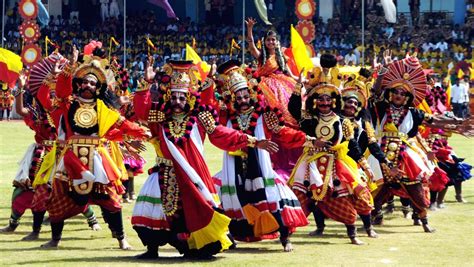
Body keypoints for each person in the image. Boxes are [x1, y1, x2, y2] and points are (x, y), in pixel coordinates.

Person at [131, 59, 278, 259]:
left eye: (182, 98)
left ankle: (193, 246)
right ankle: (152, 249)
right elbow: (141, 113)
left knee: (193, 215)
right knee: (153, 211)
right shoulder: (160, 117)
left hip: (193, 175)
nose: (177, 102)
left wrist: (251, 140)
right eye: (173, 97)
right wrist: (146, 86)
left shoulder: (199, 119)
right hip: (164, 172)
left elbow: (221, 133)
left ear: (189, 100)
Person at [37, 46, 149, 249]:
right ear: (78, 84)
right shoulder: (68, 103)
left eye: (92, 82)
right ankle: (54, 240)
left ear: (97, 87)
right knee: (58, 197)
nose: (87, 85)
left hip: (97, 158)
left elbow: (121, 124)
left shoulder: (103, 108)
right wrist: (70, 66)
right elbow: (60, 91)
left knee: (112, 201)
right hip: (71, 158)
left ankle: (122, 240)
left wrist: (142, 132)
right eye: (84, 81)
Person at [213, 60, 309, 252]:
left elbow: (281, 131)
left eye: (245, 95)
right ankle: (232, 237)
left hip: (260, 165)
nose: (242, 100)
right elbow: (217, 133)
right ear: (232, 98)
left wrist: (308, 140)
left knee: (269, 195)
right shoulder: (226, 116)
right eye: (237, 97)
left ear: (251, 93)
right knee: (235, 199)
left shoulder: (264, 113)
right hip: (235, 163)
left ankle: (285, 238)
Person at [0, 70, 100, 239]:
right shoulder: (40, 112)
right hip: (40, 156)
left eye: (57, 92)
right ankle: (14, 224)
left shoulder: (70, 109)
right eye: (51, 92)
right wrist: (20, 89)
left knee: (71, 189)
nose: (54, 95)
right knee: (26, 189)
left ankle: (92, 219)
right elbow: (21, 109)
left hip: (64, 154)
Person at [288, 81, 374, 245]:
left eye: (328, 99)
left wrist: (365, 165)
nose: (324, 103)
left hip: (335, 164)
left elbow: (352, 146)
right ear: (315, 101)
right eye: (321, 99)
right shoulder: (308, 119)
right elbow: (293, 109)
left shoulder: (343, 121)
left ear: (334, 102)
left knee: (345, 197)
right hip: (310, 164)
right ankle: (287, 236)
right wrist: (298, 88)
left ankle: (353, 234)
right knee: (300, 198)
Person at [245, 17, 298, 127]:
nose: (271, 42)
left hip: (283, 82)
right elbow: (251, 45)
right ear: (264, 42)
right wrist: (249, 28)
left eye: (273, 39)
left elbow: (289, 73)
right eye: (268, 40)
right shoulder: (261, 56)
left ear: (277, 42)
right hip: (265, 84)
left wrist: (299, 79)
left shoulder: (281, 56)